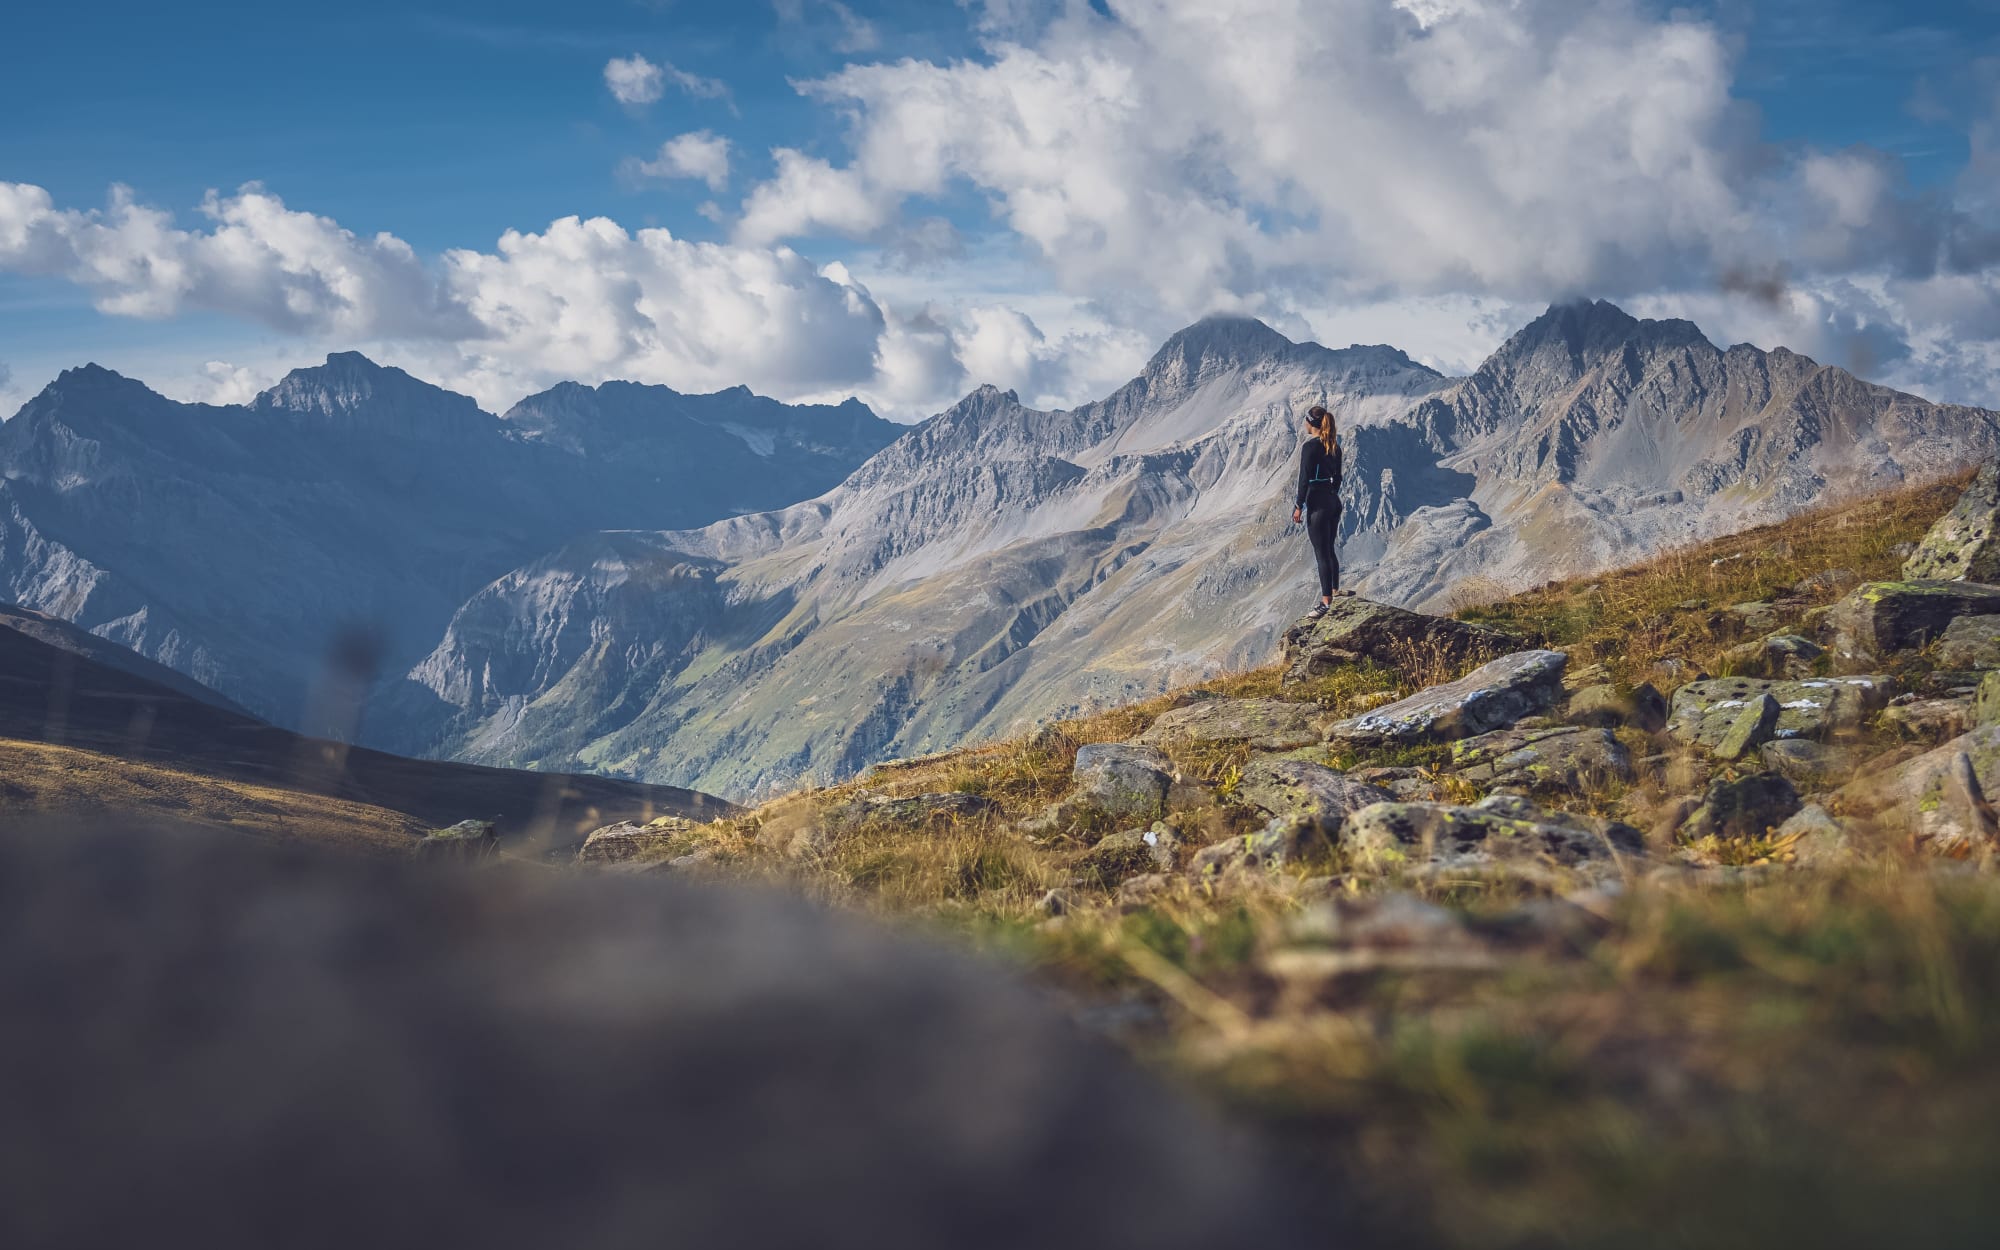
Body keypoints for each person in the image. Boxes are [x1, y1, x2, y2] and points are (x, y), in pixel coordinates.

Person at [1290, 405, 1345, 618]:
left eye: (1305, 421)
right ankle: (1335, 591)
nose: (1304, 424)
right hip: (1332, 500)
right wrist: (1331, 494)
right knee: (1329, 549)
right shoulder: (1334, 446)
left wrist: (1298, 506)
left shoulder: (1310, 447)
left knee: (1321, 553)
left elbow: (1304, 479)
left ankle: (1325, 603)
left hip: (1317, 503)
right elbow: (1338, 478)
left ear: (1311, 423)